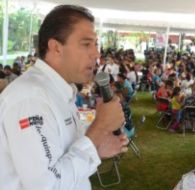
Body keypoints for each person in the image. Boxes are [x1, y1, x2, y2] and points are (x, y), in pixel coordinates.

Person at [0, 5, 128, 190]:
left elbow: (61, 160)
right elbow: (48, 185)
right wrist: (99, 128)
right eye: (86, 44)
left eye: (96, 44)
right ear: (56, 47)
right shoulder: (31, 100)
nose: (97, 54)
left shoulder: (58, 91)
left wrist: (94, 149)